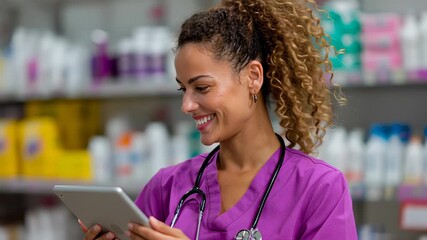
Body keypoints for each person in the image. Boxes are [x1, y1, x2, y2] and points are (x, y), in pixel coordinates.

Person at [82, 0, 357, 239]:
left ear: (253, 77)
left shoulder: (319, 188)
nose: (186, 105)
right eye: (183, 89)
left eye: (201, 88)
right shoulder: (167, 187)